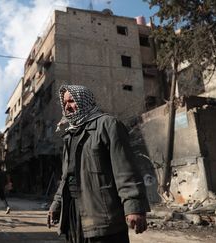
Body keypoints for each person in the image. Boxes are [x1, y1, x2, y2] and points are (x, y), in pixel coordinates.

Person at [48, 84, 150, 243]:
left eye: (72, 101)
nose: (68, 107)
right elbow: (67, 177)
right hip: (73, 213)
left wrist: (134, 207)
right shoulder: (70, 134)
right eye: (65, 103)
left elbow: (125, 169)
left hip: (102, 213)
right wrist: (57, 204)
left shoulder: (108, 125)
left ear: (84, 101)